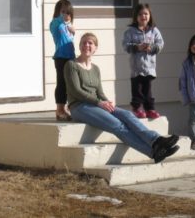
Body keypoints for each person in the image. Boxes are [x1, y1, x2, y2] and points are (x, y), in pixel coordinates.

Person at [64, 32, 179, 163]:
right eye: (84, 42)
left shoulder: (95, 69)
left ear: (95, 48)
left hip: (96, 104)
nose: (87, 45)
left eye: (90, 43)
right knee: (117, 125)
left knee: (127, 115)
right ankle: (153, 152)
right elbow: (76, 91)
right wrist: (99, 103)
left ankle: (156, 140)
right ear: (79, 46)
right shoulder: (71, 65)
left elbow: (99, 92)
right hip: (79, 106)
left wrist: (106, 102)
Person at [122, 3, 164, 119]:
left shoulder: (154, 30)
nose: (143, 16)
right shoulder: (131, 31)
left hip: (149, 67)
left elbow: (160, 43)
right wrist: (137, 47)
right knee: (137, 90)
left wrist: (152, 48)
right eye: (140, 14)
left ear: (150, 16)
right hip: (136, 68)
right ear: (136, 17)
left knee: (148, 90)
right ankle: (137, 108)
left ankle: (149, 108)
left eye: (146, 14)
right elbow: (125, 45)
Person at [50, 0, 76, 121]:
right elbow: (59, 21)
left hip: (71, 57)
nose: (66, 14)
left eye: (68, 12)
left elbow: (70, 38)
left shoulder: (68, 26)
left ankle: (68, 107)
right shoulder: (55, 24)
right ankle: (59, 109)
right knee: (61, 83)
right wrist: (64, 20)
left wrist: (72, 28)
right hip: (60, 57)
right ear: (57, 12)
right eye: (63, 11)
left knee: (70, 83)